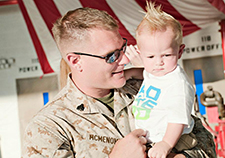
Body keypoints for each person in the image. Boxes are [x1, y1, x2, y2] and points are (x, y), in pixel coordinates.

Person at [21, 7, 216, 158]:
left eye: (122, 47)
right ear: (76, 61)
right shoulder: (49, 127)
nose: (124, 59)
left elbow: (205, 140)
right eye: (111, 56)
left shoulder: (147, 85)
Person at [125, 2, 215, 158]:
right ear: (141, 54)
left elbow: (177, 120)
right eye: (151, 56)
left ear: (180, 51)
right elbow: (145, 72)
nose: (158, 62)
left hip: (173, 141)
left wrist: (166, 144)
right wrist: (128, 73)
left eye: (166, 55)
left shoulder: (177, 84)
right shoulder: (154, 70)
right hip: (152, 139)